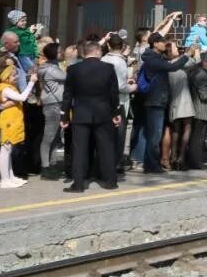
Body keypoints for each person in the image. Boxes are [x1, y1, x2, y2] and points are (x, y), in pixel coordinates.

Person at [60, 41, 121, 192]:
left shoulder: (73, 69)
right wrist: (116, 113)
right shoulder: (108, 68)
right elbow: (113, 93)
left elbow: (67, 95)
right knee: (106, 148)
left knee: (79, 150)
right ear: (98, 51)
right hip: (104, 112)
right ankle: (110, 181)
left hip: (81, 112)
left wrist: (64, 116)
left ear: (84, 53)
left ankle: (79, 184)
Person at [140, 33, 189, 173]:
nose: (165, 45)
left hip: (159, 99)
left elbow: (171, 61)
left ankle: (150, 164)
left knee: (155, 135)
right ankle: (151, 166)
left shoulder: (156, 57)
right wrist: (187, 55)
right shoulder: (152, 59)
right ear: (155, 43)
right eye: (162, 42)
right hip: (155, 100)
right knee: (155, 136)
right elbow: (172, 67)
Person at [0, 56, 36, 188]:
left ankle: (10, 176)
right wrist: (31, 83)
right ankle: (5, 180)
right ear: (6, 76)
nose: (16, 78)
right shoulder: (6, 88)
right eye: (14, 76)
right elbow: (22, 97)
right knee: (5, 149)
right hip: (8, 121)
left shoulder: (10, 87)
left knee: (9, 149)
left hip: (13, 121)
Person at [101, 35, 135, 171]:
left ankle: (104, 163)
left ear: (108, 46)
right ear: (122, 47)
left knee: (106, 134)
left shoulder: (103, 59)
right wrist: (133, 87)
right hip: (119, 101)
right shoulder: (120, 62)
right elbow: (120, 86)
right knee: (119, 135)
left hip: (104, 100)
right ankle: (116, 163)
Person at [37, 43, 66, 179]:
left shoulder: (50, 67)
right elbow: (68, 77)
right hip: (53, 105)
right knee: (48, 137)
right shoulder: (52, 70)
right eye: (60, 51)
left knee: (55, 137)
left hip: (54, 104)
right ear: (54, 53)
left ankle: (52, 164)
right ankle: (45, 167)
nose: (62, 53)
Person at [168, 46, 199, 170]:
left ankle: (173, 157)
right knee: (187, 128)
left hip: (174, 101)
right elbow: (196, 62)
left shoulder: (166, 66)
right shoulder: (179, 64)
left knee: (175, 130)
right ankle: (181, 157)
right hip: (185, 100)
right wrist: (196, 52)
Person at [186, 51, 207, 169]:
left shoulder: (194, 72)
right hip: (201, 111)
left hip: (196, 109)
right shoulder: (202, 75)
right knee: (198, 139)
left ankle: (194, 161)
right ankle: (196, 163)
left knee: (196, 138)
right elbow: (204, 95)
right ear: (205, 62)